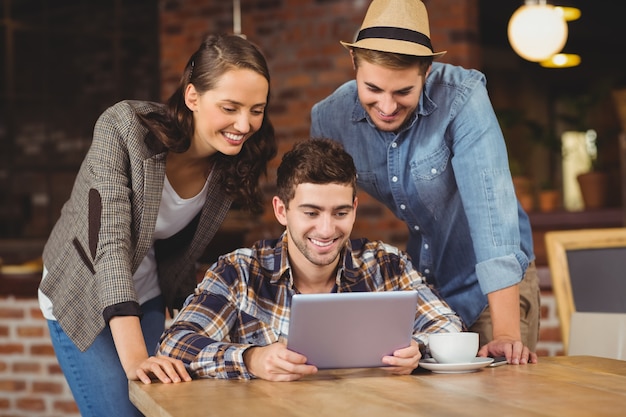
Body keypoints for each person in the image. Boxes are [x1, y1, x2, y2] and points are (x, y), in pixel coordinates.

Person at [37, 34, 277, 416]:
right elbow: (110, 245)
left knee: (159, 407)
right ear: (193, 96)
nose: (244, 124)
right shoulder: (124, 128)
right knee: (121, 411)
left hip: (146, 289)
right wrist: (135, 359)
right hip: (82, 286)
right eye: (230, 107)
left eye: (257, 110)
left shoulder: (231, 158)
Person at [310, 0, 539, 365]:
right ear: (354, 65)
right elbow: (321, 216)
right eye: (372, 89)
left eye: (403, 92)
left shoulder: (462, 98)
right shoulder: (330, 119)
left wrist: (506, 332)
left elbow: (491, 213)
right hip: (421, 288)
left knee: (502, 396)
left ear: (426, 71)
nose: (386, 106)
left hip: (493, 288)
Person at [157, 138, 463, 381]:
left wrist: (418, 349)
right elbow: (175, 343)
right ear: (281, 211)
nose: (327, 230)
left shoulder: (387, 265)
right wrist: (251, 358)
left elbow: (448, 326)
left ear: (355, 209)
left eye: (341, 213)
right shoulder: (238, 272)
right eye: (311, 213)